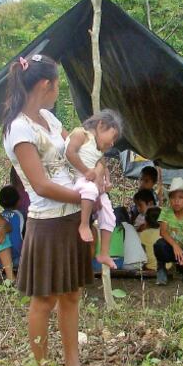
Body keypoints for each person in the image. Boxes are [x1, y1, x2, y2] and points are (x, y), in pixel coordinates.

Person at [1, 51, 96, 366]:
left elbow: (71, 158)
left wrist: (89, 171)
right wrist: (86, 196)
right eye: (57, 85)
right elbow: (39, 184)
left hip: (73, 219)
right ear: (45, 84)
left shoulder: (49, 120)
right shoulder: (19, 129)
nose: (58, 91)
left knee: (71, 294)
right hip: (47, 221)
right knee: (44, 299)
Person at [65, 109, 123, 269]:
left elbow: (103, 166)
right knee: (90, 190)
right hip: (80, 181)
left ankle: (104, 252)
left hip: (94, 185)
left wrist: (107, 182)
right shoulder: (80, 134)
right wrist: (86, 171)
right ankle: (84, 224)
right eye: (114, 136)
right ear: (101, 125)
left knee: (110, 215)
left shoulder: (99, 150)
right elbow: (70, 152)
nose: (112, 143)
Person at [153, 177, 183, 285]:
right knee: (159, 245)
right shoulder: (166, 212)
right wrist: (175, 246)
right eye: (173, 197)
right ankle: (161, 269)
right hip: (171, 248)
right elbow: (163, 232)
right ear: (169, 199)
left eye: (181, 197)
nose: (176, 201)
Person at [0, 185, 25, 267]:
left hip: (0, 261)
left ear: (0, 203)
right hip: (17, 259)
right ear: (18, 201)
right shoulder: (22, 216)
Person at [138, 206, 161, 272]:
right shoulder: (166, 233)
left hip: (150, 266)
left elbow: (142, 251)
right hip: (167, 265)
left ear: (146, 221)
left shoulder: (143, 234)